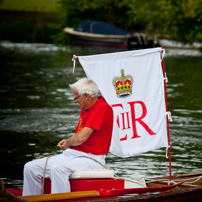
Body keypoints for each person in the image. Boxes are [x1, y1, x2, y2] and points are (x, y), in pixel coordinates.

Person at [22, 78, 113, 196]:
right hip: (74, 155)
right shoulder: (87, 107)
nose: (75, 101)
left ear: (86, 96)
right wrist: (69, 142)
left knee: (58, 169)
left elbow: (81, 138)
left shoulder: (101, 108)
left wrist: (69, 143)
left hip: (92, 158)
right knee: (30, 167)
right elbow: (81, 135)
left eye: (76, 98)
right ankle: (29, 199)